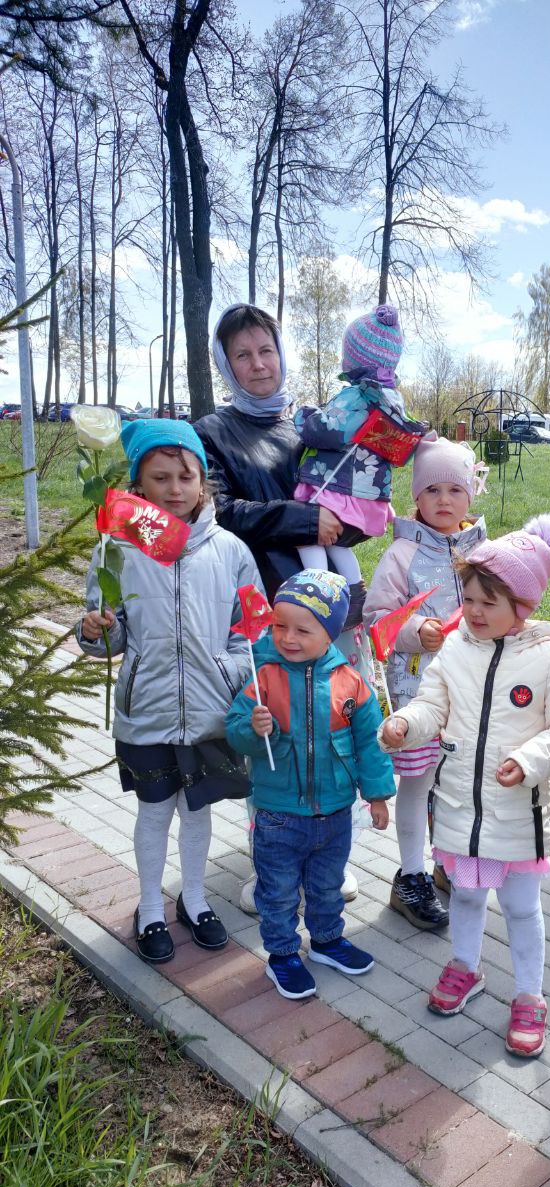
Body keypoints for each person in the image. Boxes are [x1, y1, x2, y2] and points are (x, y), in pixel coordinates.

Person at [379, 515, 550, 1057]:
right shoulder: (454, 649)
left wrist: (529, 759)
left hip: (516, 814)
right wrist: (406, 723)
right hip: (458, 808)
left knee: (521, 908)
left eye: (487, 603)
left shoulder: (547, 658)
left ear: (522, 605)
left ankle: (530, 994)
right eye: (469, 599)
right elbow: (432, 705)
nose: (472, 611)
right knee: (467, 895)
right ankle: (465, 966)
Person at [196, 302, 361, 909]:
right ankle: (271, 866)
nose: (258, 364)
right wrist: (301, 519)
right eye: (242, 354)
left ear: (281, 353)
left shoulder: (310, 427)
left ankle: (325, 862)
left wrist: (357, 516)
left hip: (328, 609)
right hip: (262, 609)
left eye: (266, 350)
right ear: (226, 365)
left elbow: (348, 510)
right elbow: (218, 512)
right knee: (273, 738)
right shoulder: (212, 433)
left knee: (330, 733)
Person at [77, 418, 258, 964]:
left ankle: (195, 899)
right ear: (139, 483)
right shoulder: (117, 548)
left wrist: (231, 672)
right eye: (160, 478)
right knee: (155, 812)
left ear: (203, 482)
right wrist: (97, 631)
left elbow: (250, 631)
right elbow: (109, 634)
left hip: (210, 709)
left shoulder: (230, 550)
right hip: (147, 711)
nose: (175, 489)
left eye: (186, 476)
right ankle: (151, 906)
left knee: (197, 811)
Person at [225, 569, 396, 999]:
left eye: (303, 630)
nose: (288, 637)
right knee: (278, 892)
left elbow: (370, 742)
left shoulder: (350, 681)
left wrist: (377, 795)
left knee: (326, 885)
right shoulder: (263, 677)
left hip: (336, 811)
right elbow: (235, 731)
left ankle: (326, 940)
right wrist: (253, 728)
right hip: (278, 814)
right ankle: (282, 955)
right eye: (280, 626)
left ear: (330, 632)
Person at [364, 437, 485, 930]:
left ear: (470, 494)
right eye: (432, 489)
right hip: (418, 691)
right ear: (416, 496)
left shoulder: (485, 551)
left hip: (472, 690)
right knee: (418, 781)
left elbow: (506, 606)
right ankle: (410, 874)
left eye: (455, 489)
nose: (443, 500)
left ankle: (447, 861)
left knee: (457, 782)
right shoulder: (402, 554)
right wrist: (416, 630)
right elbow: (377, 618)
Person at [294, 304, 427, 601]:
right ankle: (355, 593)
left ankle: (317, 594)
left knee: (308, 535)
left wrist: (304, 415)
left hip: (339, 489)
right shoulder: (392, 399)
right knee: (337, 544)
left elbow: (328, 431)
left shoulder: (358, 396)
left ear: (355, 358)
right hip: (369, 495)